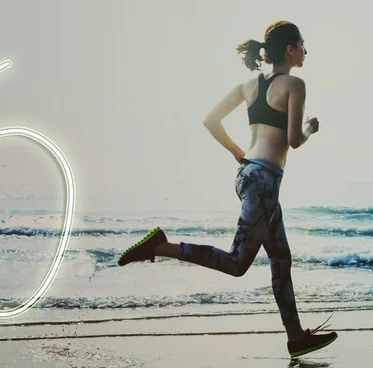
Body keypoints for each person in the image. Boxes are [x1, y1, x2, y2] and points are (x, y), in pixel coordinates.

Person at [117, 20, 338, 359]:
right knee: (238, 263)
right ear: (290, 49)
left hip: (251, 176)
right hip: (264, 181)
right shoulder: (295, 84)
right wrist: (310, 127)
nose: (306, 51)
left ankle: (296, 337)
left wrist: (238, 152)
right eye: (302, 44)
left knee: (281, 257)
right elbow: (293, 140)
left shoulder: (248, 85)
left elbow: (210, 120)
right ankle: (161, 247)